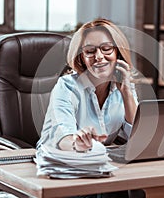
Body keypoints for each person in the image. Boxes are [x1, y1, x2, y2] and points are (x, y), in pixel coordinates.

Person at [37, 18, 143, 198]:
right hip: (61, 167)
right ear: (82, 58)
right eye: (90, 51)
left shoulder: (123, 86)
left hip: (100, 167)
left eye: (106, 48)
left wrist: (126, 92)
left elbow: (137, 137)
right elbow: (63, 136)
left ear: (118, 52)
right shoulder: (67, 87)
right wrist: (77, 143)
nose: (99, 56)